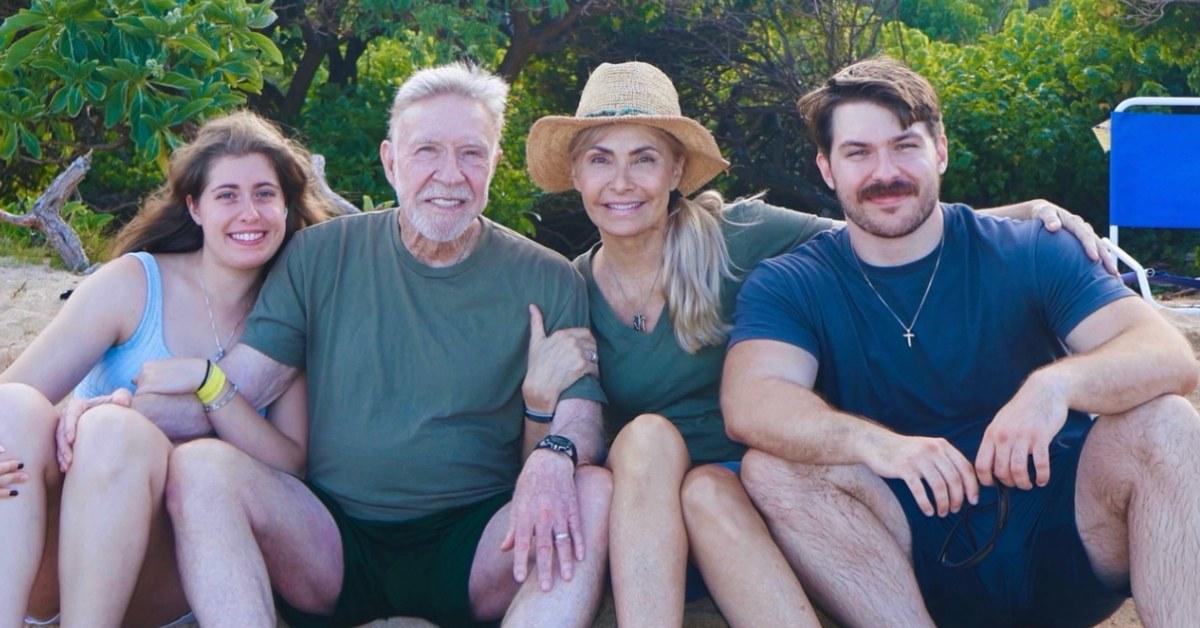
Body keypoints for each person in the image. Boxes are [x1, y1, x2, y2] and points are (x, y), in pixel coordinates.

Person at [520, 61, 1113, 627]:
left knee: (709, 488)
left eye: (644, 158)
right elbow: (562, 440)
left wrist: (1027, 216)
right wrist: (538, 404)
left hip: (756, 503)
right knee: (646, 437)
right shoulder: (569, 287)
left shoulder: (738, 235)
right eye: (600, 160)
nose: (621, 182)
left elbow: (881, 226)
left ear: (676, 171)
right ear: (576, 175)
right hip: (646, 520)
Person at [723, 56, 1200, 627]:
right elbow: (753, 400)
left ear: (940, 150)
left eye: (905, 145)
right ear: (827, 169)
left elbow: (1167, 353)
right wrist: (880, 446)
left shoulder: (1027, 249)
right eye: (858, 153)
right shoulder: (794, 283)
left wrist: (1056, 386)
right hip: (905, 552)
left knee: (1169, 425)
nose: (885, 171)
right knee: (771, 470)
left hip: (1062, 522)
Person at [136, 63, 612, 628]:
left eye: (471, 153)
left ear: (494, 164)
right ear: (390, 161)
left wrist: (554, 458)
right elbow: (240, 388)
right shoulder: (318, 256)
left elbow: (583, 416)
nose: (449, 175)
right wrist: (114, 413)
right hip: (331, 540)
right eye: (426, 151)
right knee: (200, 469)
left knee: (592, 489)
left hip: (477, 543)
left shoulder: (548, 277)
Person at [0, 111, 324, 627]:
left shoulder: (287, 316)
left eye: (265, 193)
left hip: (170, 562)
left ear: (286, 205)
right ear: (194, 207)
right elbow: (14, 400)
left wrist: (209, 383)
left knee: (115, 429)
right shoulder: (134, 284)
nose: (250, 213)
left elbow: (291, 467)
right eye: (227, 195)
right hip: (61, 549)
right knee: (12, 408)